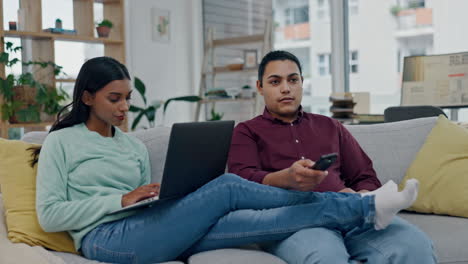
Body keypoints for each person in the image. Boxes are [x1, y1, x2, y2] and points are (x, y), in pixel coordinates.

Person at [33, 56, 419, 264]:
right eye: (113, 99)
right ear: (87, 97)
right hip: (105, 240)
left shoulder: (132, 146)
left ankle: (365, 209)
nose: (124, 108)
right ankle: (363, 206)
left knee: (255, 221)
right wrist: (120, 200)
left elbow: (146, 200)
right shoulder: (62, 143)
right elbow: (50, 215)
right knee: (231, 186)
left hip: (147, 226)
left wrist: (161, 199)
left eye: (127, 98)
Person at [228, 50, 437, 264]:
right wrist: (287, 178)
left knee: (415, 246)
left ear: (302, 82)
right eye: (275, 82)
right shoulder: (247, 131)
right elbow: (240, 183)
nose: (286, 88)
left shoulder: (329, 126)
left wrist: (363, 195)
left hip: (352, 213)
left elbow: (363, 174)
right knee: (327, 258)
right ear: (260, 87)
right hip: (298, 221)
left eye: (293, 80)